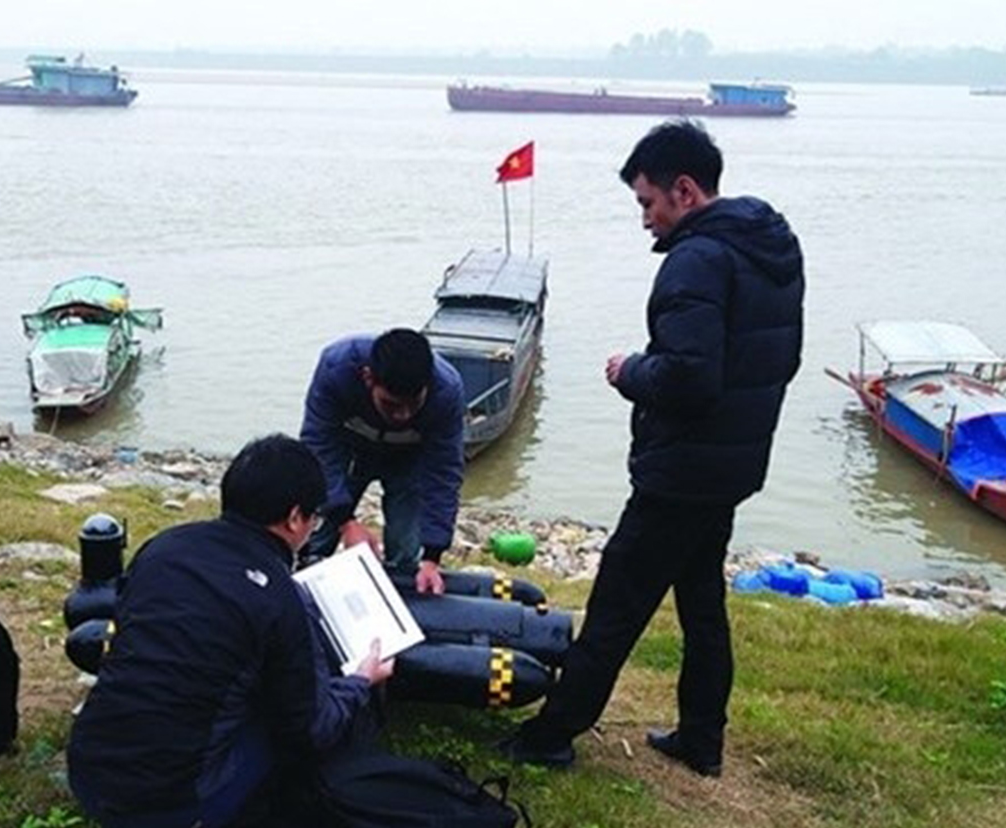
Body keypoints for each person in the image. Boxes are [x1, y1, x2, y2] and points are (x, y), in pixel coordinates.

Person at [502, 120, 804, 776]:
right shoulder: (771, 248)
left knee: (616, 605)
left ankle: (552, 733)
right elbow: (783, 357)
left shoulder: (696, 259)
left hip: (683, 472)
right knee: (701, 603)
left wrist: (629, 370)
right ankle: (702, 738)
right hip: (732, 464)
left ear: (686, 191)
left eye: (647, 203)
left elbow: (690, 377)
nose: (644, 220)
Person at [67, 434, 395, 828]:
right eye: (316, 518)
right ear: (295, 518)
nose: (313, 527)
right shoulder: (280, 596)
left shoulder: (163, 547)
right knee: (283, 728)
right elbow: (311, 729)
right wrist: (362, 682)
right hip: (174, 809)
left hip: (89, 773)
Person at [300, 328, 465, 595]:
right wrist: (346, 522)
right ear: (368, 378)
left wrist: (433, 556)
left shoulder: (447, 391)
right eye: (391, 404)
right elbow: (318, 445)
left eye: (413, 405)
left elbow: (443, 473)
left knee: (405, 543)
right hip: (349, 448)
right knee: (317, 534)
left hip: (410, 457)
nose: (402, 415)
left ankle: (398, 599)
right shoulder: (336, 367)